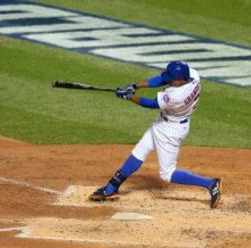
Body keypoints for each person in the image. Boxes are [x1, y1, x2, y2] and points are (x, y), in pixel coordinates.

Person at [88, 61, 222, 209]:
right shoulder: (192, 76)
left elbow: (150, 104)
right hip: (168, 122)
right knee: (139, 151)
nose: (168, 80)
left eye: (171, 79)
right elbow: (161, 79)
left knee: (167, 173)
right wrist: (135, 85)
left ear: (179, 80)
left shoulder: (176, 95)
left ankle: (210, 183)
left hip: (170, 130)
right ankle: (111, 188)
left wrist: (128, 97)